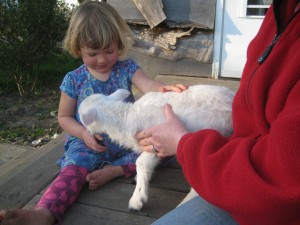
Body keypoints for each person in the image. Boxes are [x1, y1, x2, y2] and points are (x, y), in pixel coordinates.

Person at [0, 1, 187, 224]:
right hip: (88, 141)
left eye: (109, 51)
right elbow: (64, 117)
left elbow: (148, 85)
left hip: (126, 138)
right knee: (73, 170)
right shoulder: (74, 79)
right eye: (92, 53)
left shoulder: (126, 68)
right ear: (78, 49)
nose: (102, 59)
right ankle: (44, 213)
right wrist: (83, 134)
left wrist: (164, 88)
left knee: (164, 149)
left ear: (119, 44)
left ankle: (116, 170)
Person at [136, 0, 300, 224]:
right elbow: (252, 117)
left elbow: (281, 179)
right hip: (238, 170)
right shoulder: (282, 9)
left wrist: (183, 143)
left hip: (263, 197)